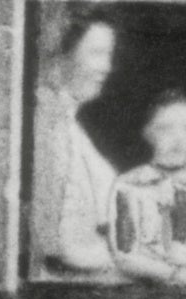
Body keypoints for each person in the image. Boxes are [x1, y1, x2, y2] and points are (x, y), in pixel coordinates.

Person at [28, 12, 120, 277]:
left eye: (109, 55)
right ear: (62, 54)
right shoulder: (48, 125)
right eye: (97, 53)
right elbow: (58, 244)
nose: (106, 67)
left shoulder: (72, 128)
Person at [111, 91, 186, 280]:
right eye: (165, 129)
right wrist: (175, 274)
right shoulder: (129, 187)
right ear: (148, 132)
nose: (179, 139)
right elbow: (124, 254)